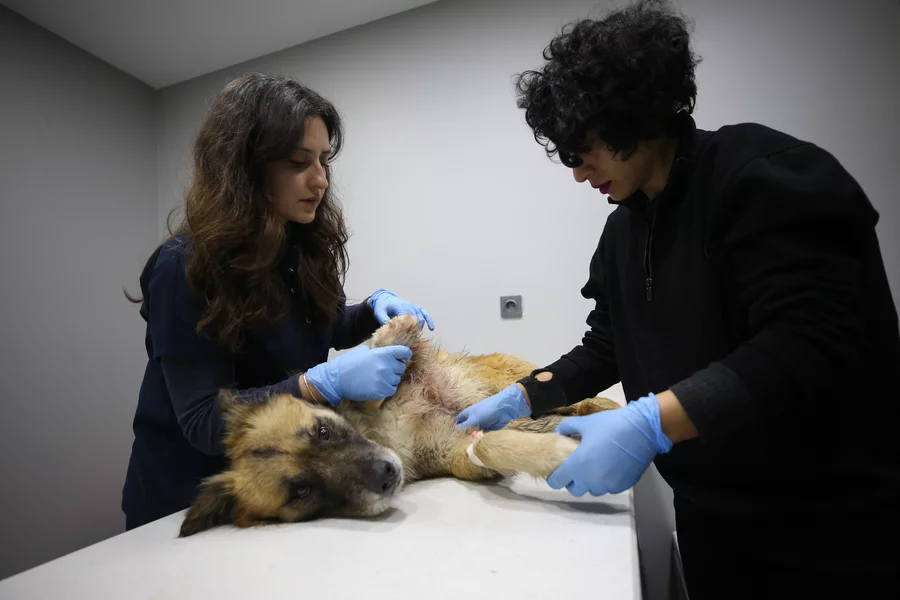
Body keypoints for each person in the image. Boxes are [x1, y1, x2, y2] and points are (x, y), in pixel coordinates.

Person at [456, 0, 900, 596]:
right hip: (709, 517)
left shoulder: (763, 177)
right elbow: (609, 344)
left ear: (630, 115)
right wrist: (525, 395)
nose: (578, 173)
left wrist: (649, 424)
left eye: (583, 149)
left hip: (827, 522)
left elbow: (806, 343)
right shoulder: (622, 232)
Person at [121, 73, 433, 530]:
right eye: (298, 161)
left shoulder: (297, 246)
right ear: (245, 166)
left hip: (294, 499)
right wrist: (319, 384)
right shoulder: (181, 267)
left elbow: (319, 325)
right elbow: (205, 419)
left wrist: (371, 311)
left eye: (324, 161)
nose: (320, 180)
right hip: (194, 504)